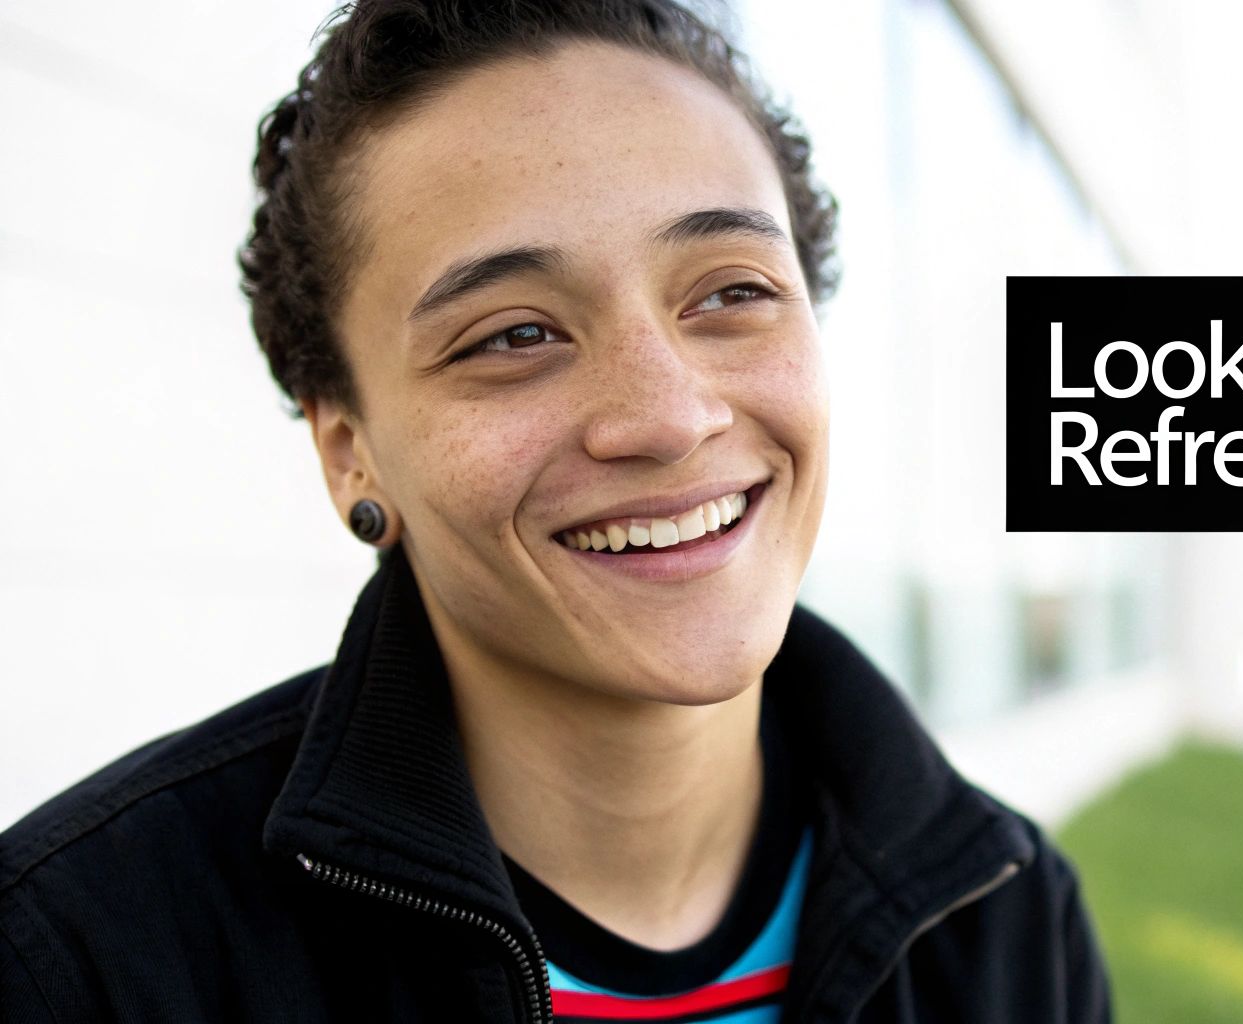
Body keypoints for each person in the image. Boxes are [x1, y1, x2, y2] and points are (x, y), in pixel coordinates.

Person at [0, 2, 1114, 1020]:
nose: (669, 415)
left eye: (731, 293)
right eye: (514, 335)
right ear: (350, 452)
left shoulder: (1006, 923)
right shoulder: (79, 961)